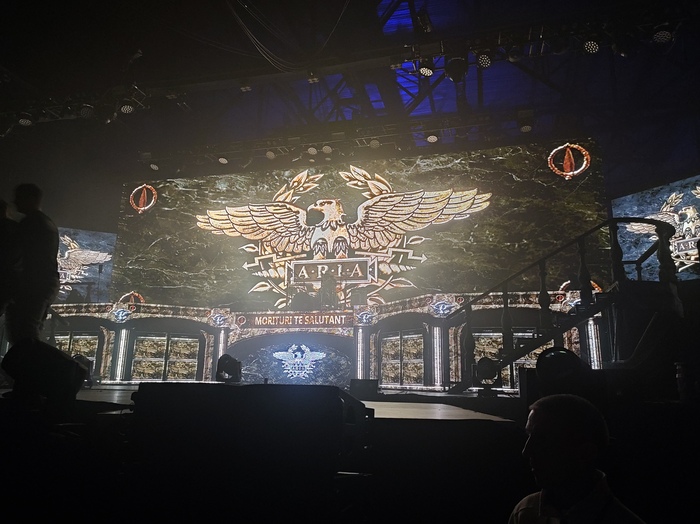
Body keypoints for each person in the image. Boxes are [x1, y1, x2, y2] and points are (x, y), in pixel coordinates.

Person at [509, 394, 646, 524]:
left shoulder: (527, 512)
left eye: (542, 439)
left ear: (586, 453)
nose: (526, 451)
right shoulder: (524, 512)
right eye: (529, 435)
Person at [4, 183, 60, 345]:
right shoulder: (46, 223)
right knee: (29, 332)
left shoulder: (30, 223)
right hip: (43, 285)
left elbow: (14, 255)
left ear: (31, 199)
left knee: (23, 334)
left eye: (19, 197)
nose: (15, 202)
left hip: (33, 286)